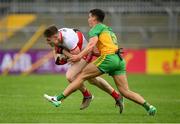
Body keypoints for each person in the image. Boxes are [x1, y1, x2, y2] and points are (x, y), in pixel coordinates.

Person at [44, 9, 157, 115]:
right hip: (119, 59)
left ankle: (58, 99)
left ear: (94, 18)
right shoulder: (108, 29)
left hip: (108, 58)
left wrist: (78, 56)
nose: (88, 19)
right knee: (125, 91)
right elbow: (100, 46)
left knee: (81, 76)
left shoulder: (95, 29)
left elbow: (91, 45)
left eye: (89, 17)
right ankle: (149, 107)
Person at [43, 26, 124, 112]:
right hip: (79, 51)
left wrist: (63, 53)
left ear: (55, 37)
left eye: (48, 40)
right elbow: (56, 53)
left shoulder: (68, 40)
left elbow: (77, 57)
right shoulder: (56, 36)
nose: (47, 42)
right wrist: (59, 57)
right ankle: (117, 96)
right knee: (92, 79)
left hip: (84, 53)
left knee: (71, 76)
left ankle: (87, 95)